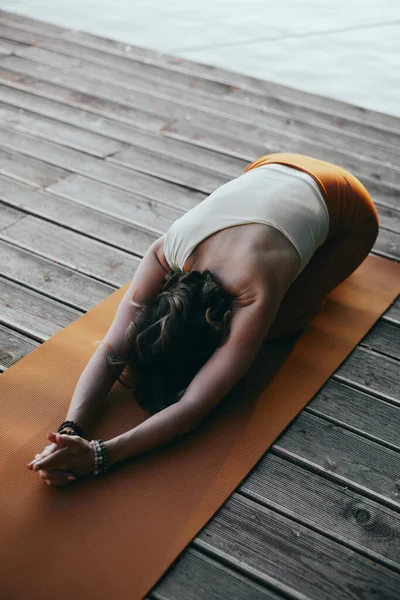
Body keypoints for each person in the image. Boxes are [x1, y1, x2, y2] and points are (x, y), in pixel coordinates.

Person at [27, 153, 379, 486]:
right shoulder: (168, 250)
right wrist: (69, 432)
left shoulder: (255, 289)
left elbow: (194, 405)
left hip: (349, 204)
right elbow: (111, 349)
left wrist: (100, 456)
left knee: (283, 325)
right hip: (268, 165)